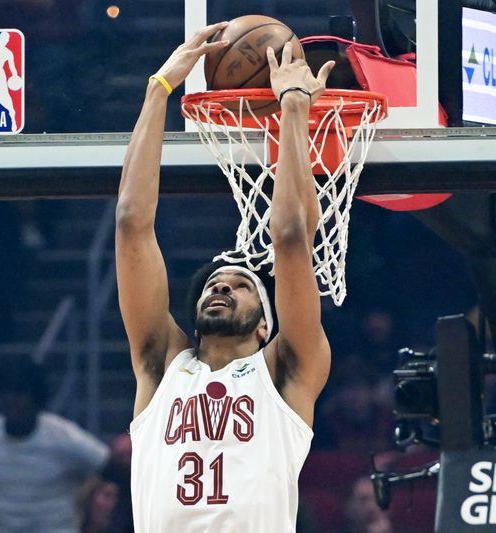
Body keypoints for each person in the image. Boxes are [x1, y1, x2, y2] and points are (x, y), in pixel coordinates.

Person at [115, 21, 335, 532]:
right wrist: (158, 89)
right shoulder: (161, 365)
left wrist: (294, 110)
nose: (221, 286)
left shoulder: (287, 371)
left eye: (240, 285)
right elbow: (131, 221)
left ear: (266, 326)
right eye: (216, 283)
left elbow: (289, 235)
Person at [0, 356, 109, 533]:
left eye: (20, 393)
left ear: (36, 397)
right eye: (5, 393)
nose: (12, 401)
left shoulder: (66, 438)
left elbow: (109, 467)